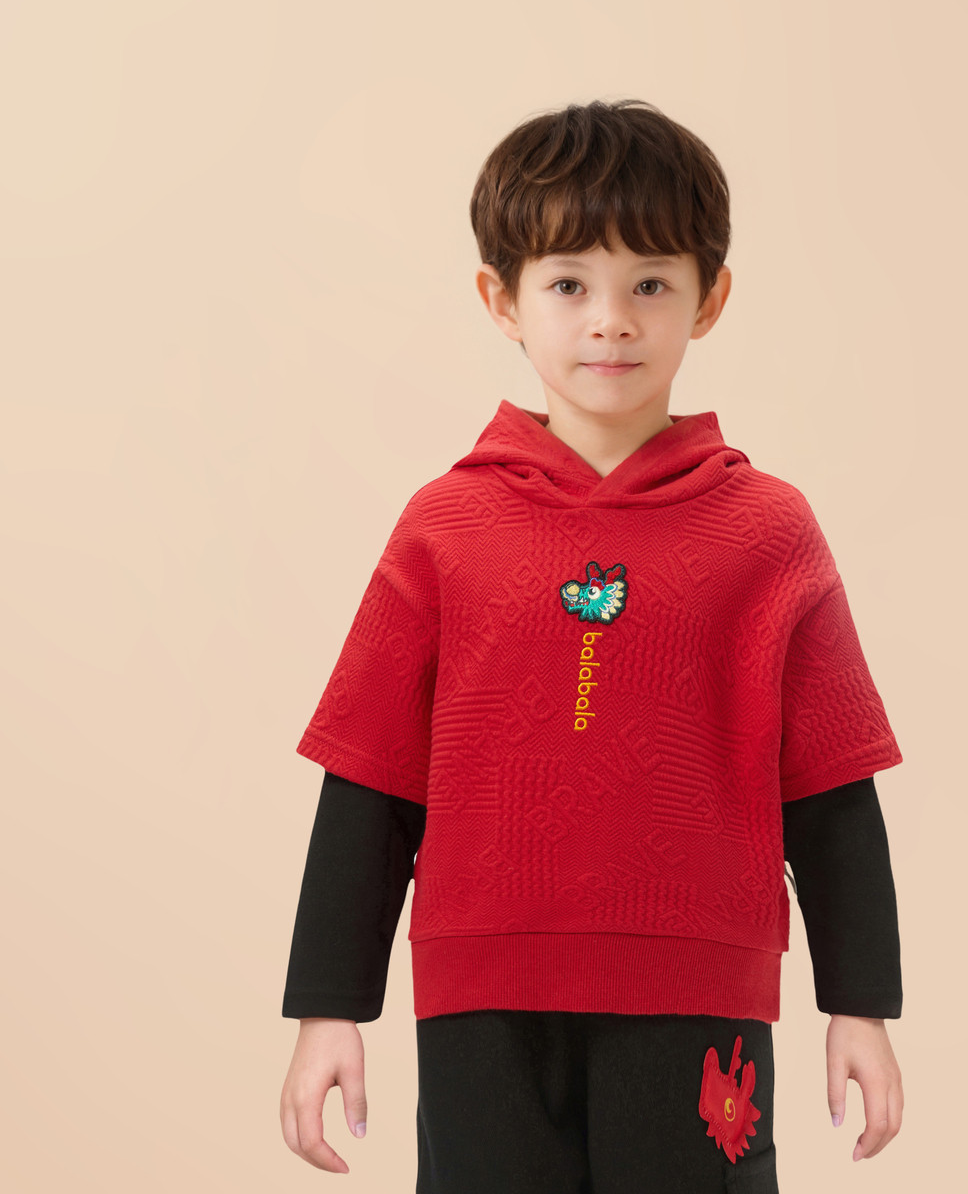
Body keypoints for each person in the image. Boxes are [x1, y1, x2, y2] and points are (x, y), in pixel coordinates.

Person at [279, 97, 906, 1193]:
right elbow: (371, 778)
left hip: (696, 996)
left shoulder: (768, 532)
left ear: (709, 299)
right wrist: (329, 1009)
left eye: (649, 285)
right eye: (569, 285)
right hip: (483, 1004)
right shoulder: (445, 527)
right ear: (503, 301)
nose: (610, 322)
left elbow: (830, 786)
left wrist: (861, 1004)